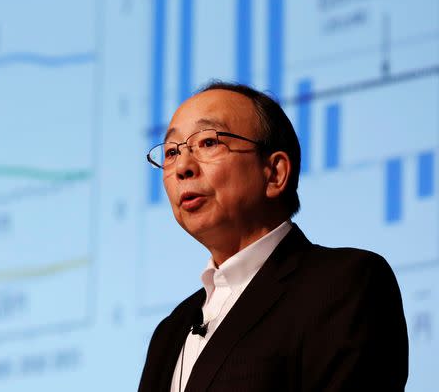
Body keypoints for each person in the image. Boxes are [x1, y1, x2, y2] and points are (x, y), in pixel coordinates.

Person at [138, 81, 408, 392]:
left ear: (275, 173)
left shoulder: (343, 282)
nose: (182, 166)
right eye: (171, 152)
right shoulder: (169, 333)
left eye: (209, 142)